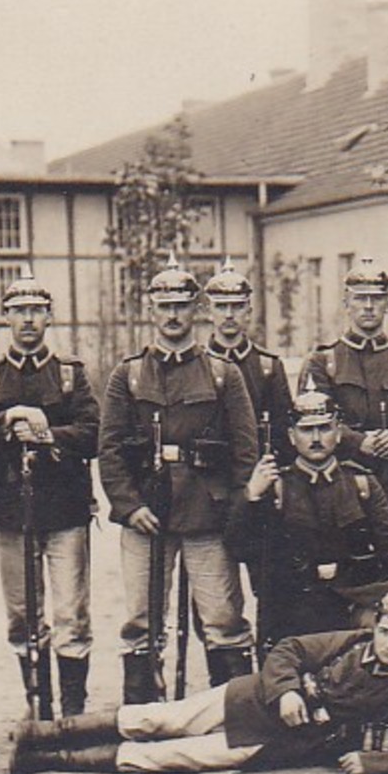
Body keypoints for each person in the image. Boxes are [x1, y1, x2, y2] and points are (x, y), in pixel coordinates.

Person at [7, 590, 388, 774]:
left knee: (167, 758)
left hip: (280, 741)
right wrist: (287, 691)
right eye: (385, 631)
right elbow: (289, 650)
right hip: (253, 697)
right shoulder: (351, 643)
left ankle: (49, 762)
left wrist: (376, 763)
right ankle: (42, 733)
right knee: (157, 719)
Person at [99, 256, 258, 702]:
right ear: (151, 311)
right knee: (140, 619)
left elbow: (246, 452)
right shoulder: (127, 375)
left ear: (196, 311)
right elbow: (109, 449)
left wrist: (232, 508)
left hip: (207, 513)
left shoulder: (223, 374)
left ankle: (231, 712)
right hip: (146, 514)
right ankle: (144, 708)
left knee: (223, 616)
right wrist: (130, 507)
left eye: (182, 306)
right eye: (164, 306)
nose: (172, 315)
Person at [0, 271, 101, 717]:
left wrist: (47, 432)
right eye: (19, 311)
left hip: (65, 508)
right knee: (22, 614)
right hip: (10, 508)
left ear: (49, 317)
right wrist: (7, 420)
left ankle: (74, 709)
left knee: (71, 613)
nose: (28, 321)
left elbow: (95, 435)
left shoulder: (70, 376)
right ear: (6, 317)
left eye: (36, 311)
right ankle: (37, 704)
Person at [226, 378, 388, 641]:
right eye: (306, 430)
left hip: (352, 607)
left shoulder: (360, 483)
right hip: (292, 617)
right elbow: (238, 547)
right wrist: (251, 494)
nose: (316, 438)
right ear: (291, 436)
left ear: (338, 432)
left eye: (324, 428)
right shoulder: (277, 486)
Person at [302, 258, 388, 550]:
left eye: (376, 299)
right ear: (347, 304)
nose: (368, 306)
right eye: (360, 299)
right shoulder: (323, 362)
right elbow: (306, 425)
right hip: (341, 495)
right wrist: (357, 442)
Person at [203, 257, 293, 459]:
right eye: (221, 306)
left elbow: (283, 430)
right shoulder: (197, 365)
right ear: (209, 312)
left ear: (249, 312)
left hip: (258, 467)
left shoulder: (268, 367)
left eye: (237, 306)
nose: (229, 314)